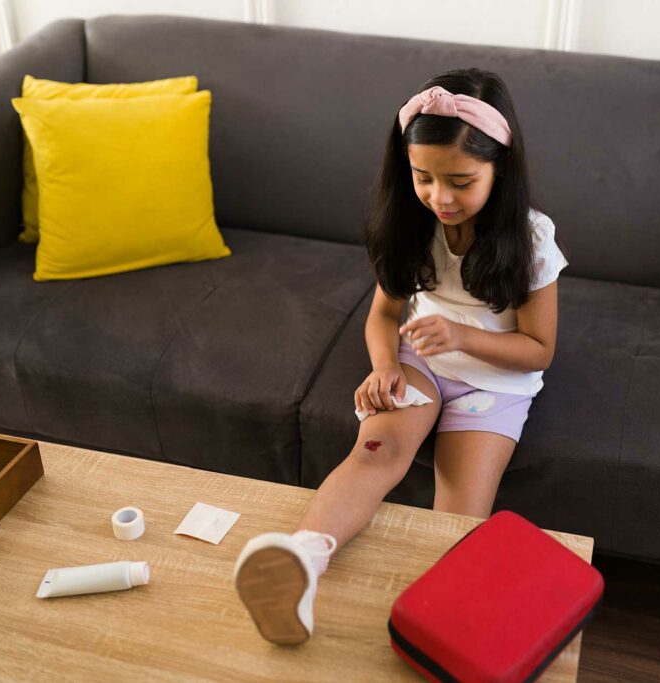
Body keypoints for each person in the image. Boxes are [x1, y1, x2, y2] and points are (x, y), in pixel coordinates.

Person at [233, 67, 569, 645]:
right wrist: (385, 364)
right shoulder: (410, 225)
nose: (440, 197)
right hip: (422, 361)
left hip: (496, 381)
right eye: (424, 177)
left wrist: (464, 337)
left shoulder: (532, 240)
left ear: (501, 170)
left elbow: (538, 352)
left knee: (460, 509)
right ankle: (301, 563)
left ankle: (446, 621)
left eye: (461, 181)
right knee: (376, 451)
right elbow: (385, 315)